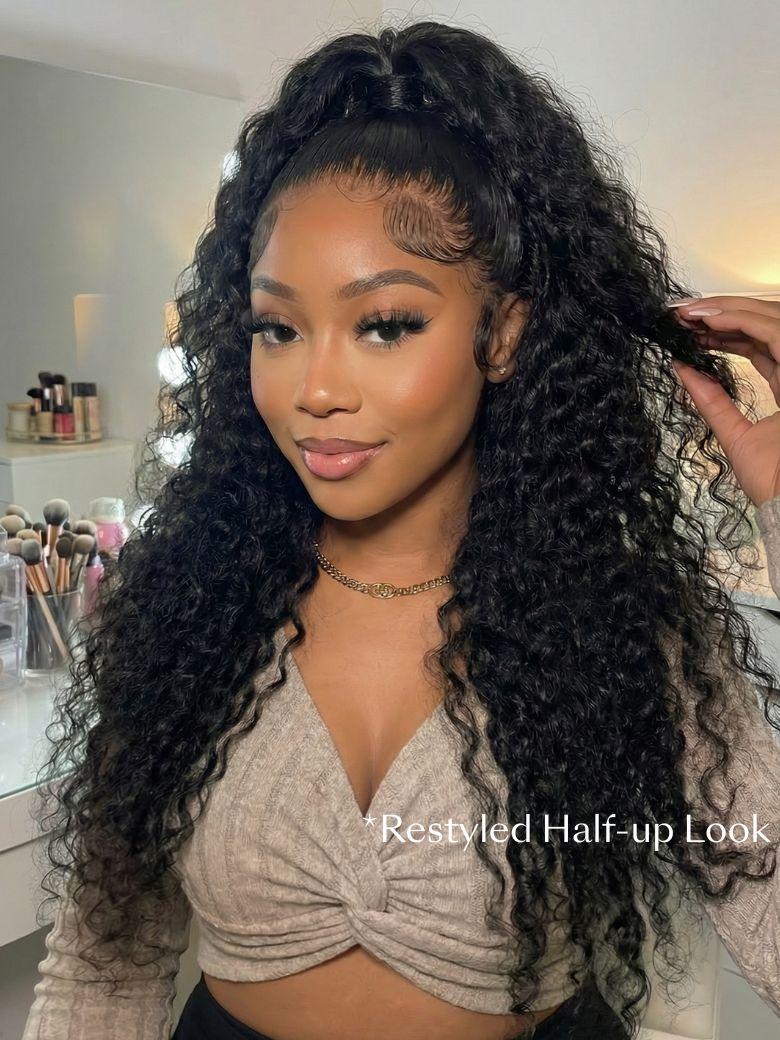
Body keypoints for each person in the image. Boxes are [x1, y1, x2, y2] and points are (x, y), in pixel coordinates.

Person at [22, 18, 780, 1040]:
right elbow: (100, 973)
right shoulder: (184, 608)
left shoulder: (623, 621)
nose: (315, 388)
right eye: (278, 327)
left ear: (502, 333)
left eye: (385, 324)